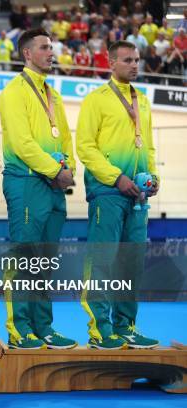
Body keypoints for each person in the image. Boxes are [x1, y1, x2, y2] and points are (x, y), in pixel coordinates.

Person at [76, 40, 159, 350]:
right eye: (127, 60)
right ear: (110, 63)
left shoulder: (143, 101)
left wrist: (153, 177)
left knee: (130, 264)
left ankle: (125, 327)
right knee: (103, 262)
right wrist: (116, 177)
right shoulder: (96, 100)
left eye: (137, 59)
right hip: (108, 191)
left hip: (138, 196)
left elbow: (147, 145)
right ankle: (100, 331)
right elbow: (85, 147)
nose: (135, 65)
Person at [0, 28, 77, 350]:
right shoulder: (14, 92)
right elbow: (22, 143)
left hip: (53, 185)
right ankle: (20, 331)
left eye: (52, 47)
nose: (51, 52)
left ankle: (44, 327)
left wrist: (68, 167)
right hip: (27, 183)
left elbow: (64, 138)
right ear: (27, 54)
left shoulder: (52, 94)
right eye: (45, 47)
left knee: (44, 263)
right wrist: (56, 170)